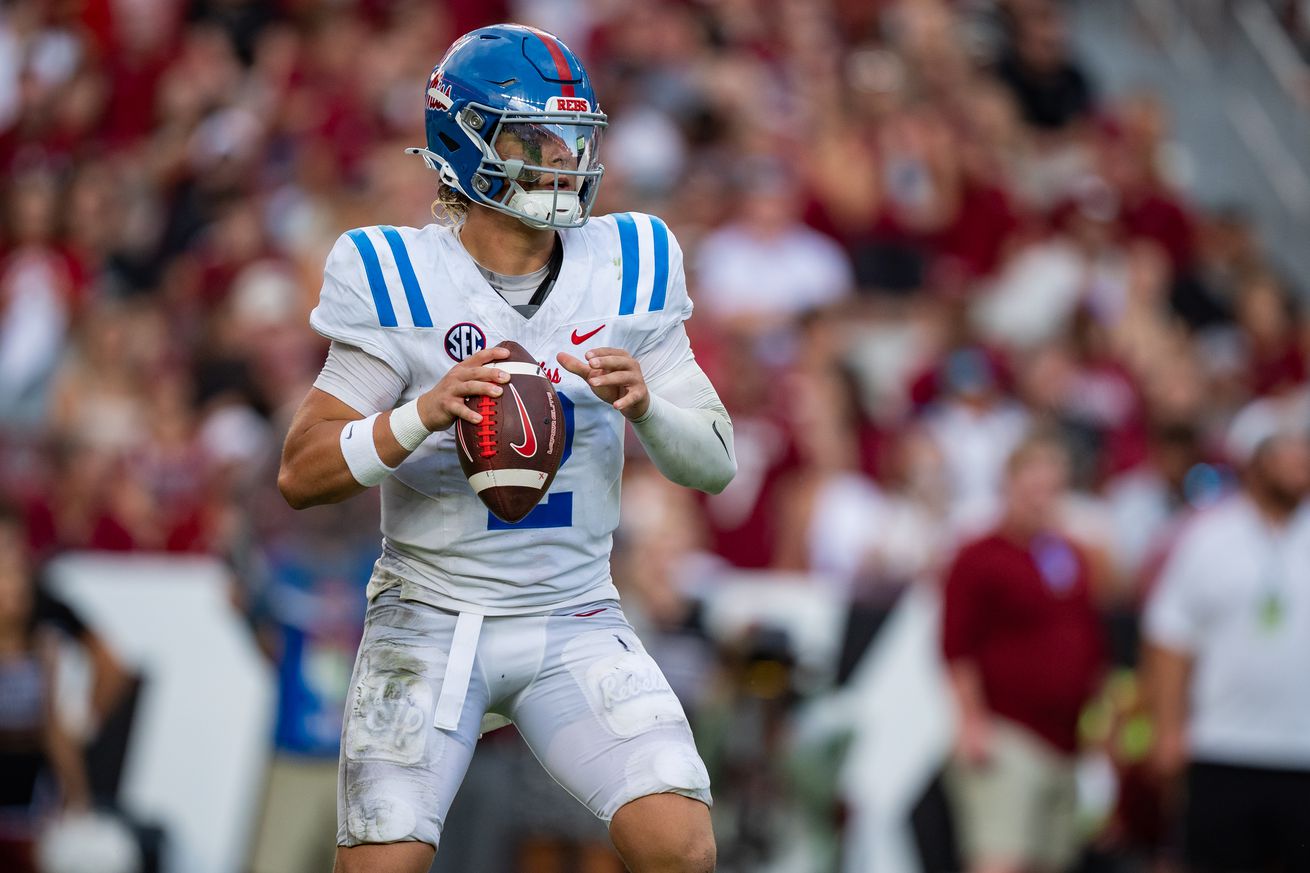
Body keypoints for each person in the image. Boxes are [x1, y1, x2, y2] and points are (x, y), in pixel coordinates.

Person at [276, 24, 735, 873]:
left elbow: (714, 461)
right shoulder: (395, 274)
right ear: (463, 140)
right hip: (429, 610)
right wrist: (422, 413)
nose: (562, 160)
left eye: (575, 139)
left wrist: (648, 407)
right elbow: (301, 473)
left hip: (575, 612)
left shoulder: (630, 261)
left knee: (680, 843)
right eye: (533, 138)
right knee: (384, 864)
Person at [1144, 422, 1310, 873]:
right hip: (1224, 744)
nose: (1300, 463)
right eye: (1287, 452)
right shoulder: (1209, 537)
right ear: (1255, 463)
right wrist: (1168, 729)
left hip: (1302, 750)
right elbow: (1169, 637)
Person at [940, 430, 1106, 873]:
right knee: (1001, 857)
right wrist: (971, 720)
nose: (1041, 501)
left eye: (1052, 490)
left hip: (1064, 741)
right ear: (1008, 486)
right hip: (1008, 733)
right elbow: (956, 646)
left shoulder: (1068, 555)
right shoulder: (979, 556)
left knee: (1051, 858)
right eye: (1031, 489)